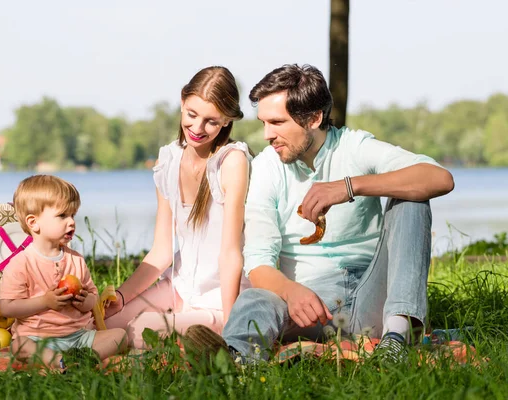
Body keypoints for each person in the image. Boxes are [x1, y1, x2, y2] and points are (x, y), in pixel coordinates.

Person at [186, 64, 455, 362]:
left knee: (412, 198)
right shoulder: (266, 168)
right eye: (263, 122)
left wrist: (350, 186)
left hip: (374, 299)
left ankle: (395, 340)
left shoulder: (354, 147)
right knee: (254, 297)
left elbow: (440, 178)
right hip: (308, 308)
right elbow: (259, 263)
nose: (267, 135)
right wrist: (291, 292)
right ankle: (233, 361)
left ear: (313, 119)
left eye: (276, 122)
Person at [103, 66, 253, 348]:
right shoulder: (169, 160)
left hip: (219, 300)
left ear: (227, 121)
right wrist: (121, 297)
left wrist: (232, 325)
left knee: (142, 330)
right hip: (179, 289)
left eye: (211, 121)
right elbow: (161, 252)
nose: (197, 128)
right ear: (183, 102)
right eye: (192, 115)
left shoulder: (231, 161)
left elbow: (231, 253)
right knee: (105, 324)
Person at [0, 175, 127, 371]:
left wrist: (86, 302)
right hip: (38, 337)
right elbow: (7, 308)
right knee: (20, 345)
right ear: (33, 223)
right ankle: (60, 361)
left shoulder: (76, 260)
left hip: (78, 336)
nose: (71, 222)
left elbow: (93, 298)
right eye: (62, 216)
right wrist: (45, 302)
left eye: (73, 215)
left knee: (120, 336)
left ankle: (81, 359)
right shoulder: (20, 264)